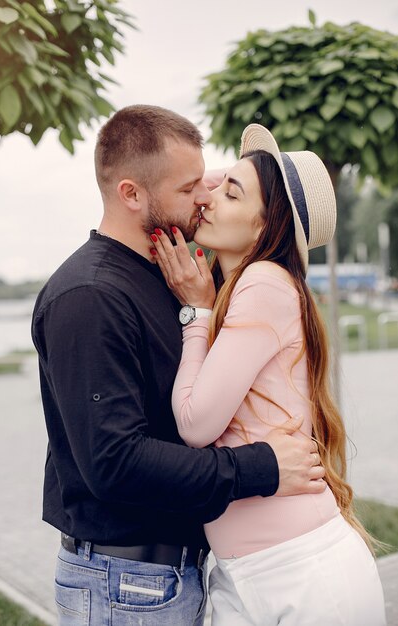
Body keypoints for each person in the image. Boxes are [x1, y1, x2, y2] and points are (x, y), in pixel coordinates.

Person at [31, 106, 326, 626]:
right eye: (190, 188)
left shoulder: (166, 272)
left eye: (208, 182)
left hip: (163, 577)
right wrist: (259, 468)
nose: (206, 197)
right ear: (131, 194)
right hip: (122, 582)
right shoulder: (91, 295)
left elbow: (209, 192)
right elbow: (114, 461)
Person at [149, 124, 386, 626]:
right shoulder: (253, 284)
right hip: (251, 570)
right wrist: (222, 183)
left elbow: (195, 424)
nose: (207, 198)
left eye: (230, 192)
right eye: (213, 188)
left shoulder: (262, 283)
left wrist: (197, 315)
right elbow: (197, 189)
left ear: (264, 227)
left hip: (301, 574)